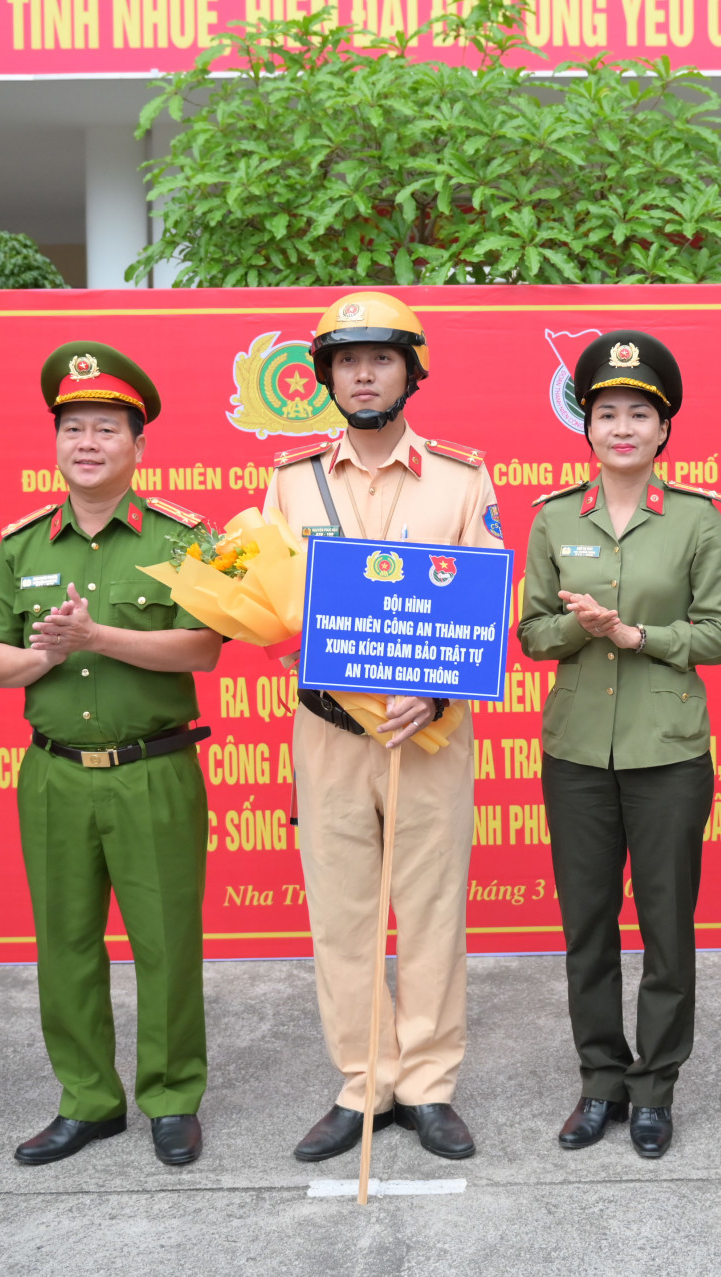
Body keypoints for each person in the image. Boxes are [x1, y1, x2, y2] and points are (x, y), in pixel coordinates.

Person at [0, 342, 222, 1168]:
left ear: (138, 446)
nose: (87, 442)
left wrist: (96, 635)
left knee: (167, 940)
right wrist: (48, 653)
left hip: (153, 770)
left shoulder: (182, 536)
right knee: (65, 942)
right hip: (53, 774)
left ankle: (172, 1096)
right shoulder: (20, 545)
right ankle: (88, 1098)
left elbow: (203, 648)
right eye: (73, 427)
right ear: (56, 442)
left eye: (106, 429)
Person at [263, 290, 504, 1163]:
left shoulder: (462, 476)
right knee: (343, 913)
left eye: (381, 358)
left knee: (434, 908)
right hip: (327, 732)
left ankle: (429, 1084)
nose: (363, 374)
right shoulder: (292, 481)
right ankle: (365, 1082)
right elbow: (269, 604)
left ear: (411, 371)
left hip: (428, 732)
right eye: (346, 360)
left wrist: (436, 692)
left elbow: (486, 605)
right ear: (327, 375)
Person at [518, 332, 721, 1159]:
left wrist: (639, 633)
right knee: (587, 924)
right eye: (606, 411)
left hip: (669, 750)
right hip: (576, 750)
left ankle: (655, 1088)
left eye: (638, 413)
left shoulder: (696, 518)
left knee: (667, 925)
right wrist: (580, 630)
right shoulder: (552, 517)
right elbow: (531, 631)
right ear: (586, 424)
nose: (622, 426)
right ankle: (599, 1081)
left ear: (663, 428)